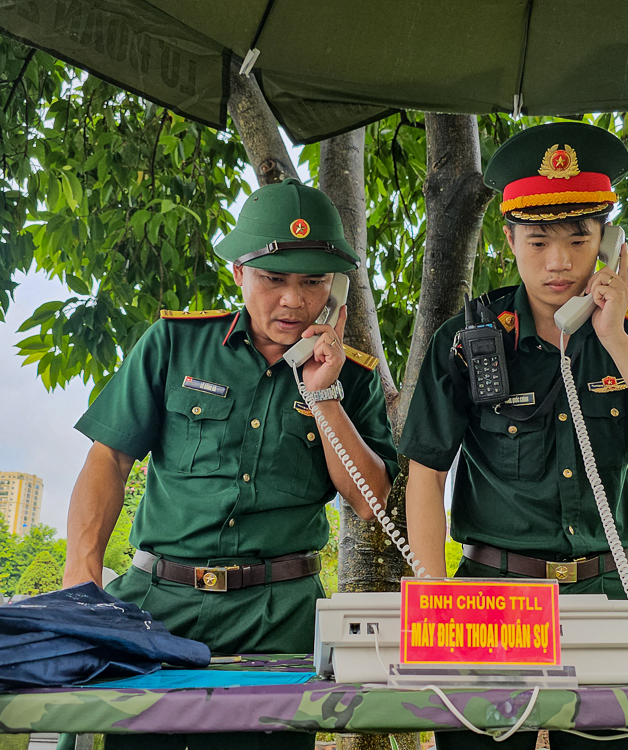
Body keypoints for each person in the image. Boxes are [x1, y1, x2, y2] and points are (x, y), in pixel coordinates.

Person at [400, 121, 628, 750]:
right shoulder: (465, 344)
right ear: (510, 238)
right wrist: (434, 607)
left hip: (605, 592)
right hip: (493, 601)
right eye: (539, 239)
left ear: (607, 242)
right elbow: (426, 476)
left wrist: (615, 339)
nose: (559, 262)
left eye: (579, 239)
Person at [61, 178, 398, 750]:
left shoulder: (354, 378)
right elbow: (109, 458)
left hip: (279, 618)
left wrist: (325, 396)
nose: (294, 300)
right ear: (240, 273)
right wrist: (80, 578)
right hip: (158, 604)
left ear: (335, 291)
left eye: (313, 282)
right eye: (274, 279)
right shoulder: (174, 344)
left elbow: (369, 502)